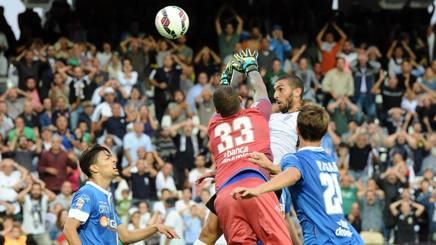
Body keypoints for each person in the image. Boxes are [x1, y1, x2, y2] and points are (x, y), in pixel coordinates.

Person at [232, 104, 363, 244]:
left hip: (323, 239)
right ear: (325, 132)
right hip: (349, 236)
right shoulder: (329, 160)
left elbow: (294, 175)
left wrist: (257, 190)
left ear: (297, 129)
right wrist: (271, 166)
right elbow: (303, 175)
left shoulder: (295, 159)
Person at [206, 49, 292, 244]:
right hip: (256, 187)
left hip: (225, 196)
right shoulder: (256, 115)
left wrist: (226, 76)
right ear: (240, 100)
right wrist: (251, 66)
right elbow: (260, 90)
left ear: (217, 112)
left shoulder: (213, 125)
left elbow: (222, 98)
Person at [63, 144, 179, 244]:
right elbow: (69, 228)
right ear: (94, 168)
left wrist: (155, 227)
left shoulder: (106, 197)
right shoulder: (87, 192)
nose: (114, 160)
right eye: (107, 158)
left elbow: (126, 236)